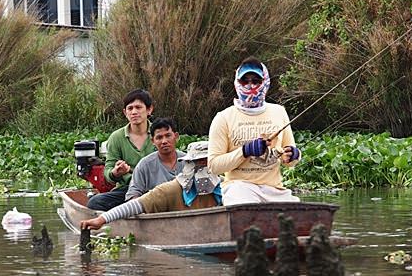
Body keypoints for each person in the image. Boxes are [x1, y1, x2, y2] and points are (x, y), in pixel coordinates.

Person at [207, 57, 300, 205]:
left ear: (265, 82)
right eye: (245, 81)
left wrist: (294, 155)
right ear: (237, 82)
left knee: (298, 214)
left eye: (256, 81)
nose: (250, 86)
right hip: (239, 188)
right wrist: (245, 151)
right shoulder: (223, 118)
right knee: (245, 205)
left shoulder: (279, 112)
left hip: (275, 190)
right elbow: (214, 166)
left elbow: (289, 160)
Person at [80, 141, 221, 230]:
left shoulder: (223, 188)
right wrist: (101, 220)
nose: (203, 169)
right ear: (188, 165)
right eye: (198, 163)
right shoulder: (171, 190)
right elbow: (134, 205)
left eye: (206, 163)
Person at [87, 89, 156, 211]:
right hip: (128, 189)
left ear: (149, 110)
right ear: (125, 112)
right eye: (130, 108)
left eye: (138, 107)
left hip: (157, 188)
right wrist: (115, 172)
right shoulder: (116, 137)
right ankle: (130, 210)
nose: (134, 112)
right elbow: (108, 172)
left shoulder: (159, 133)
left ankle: (130, 210)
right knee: (95, 202)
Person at [125, 117, 185, 200]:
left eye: (168, 135)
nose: (164, 141)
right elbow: (132, 194)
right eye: (159, 137)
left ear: (176, 136)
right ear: (153, 141)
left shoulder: (188, 161)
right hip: (157, 211)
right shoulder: (145, 165)